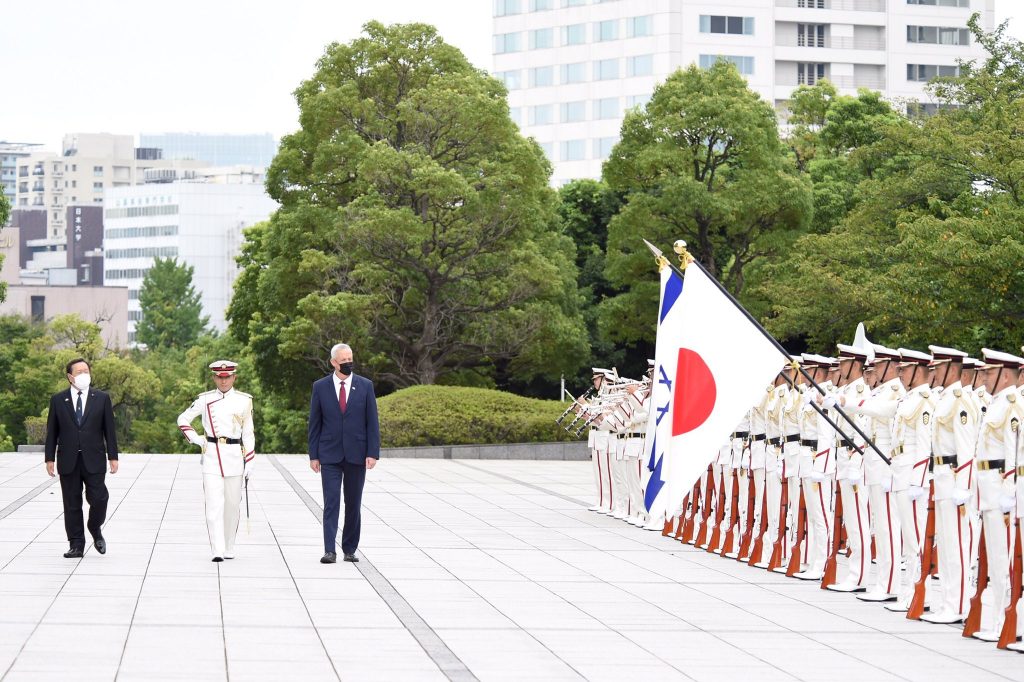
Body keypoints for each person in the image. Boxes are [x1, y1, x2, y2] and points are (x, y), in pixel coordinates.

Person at [308, 343, 380, 564]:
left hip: (357, 454)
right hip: (329, 454)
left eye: (350, 359)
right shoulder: (320, 387)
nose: (348, 363)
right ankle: (330, 549)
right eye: (344, 360)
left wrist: (372, 452)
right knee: (331, 502)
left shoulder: (365, 386)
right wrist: (313, 455)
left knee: (353, 502)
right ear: (333, 363)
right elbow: (315, 423)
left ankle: (349, 548)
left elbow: (372, 422)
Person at [177, 360, 255, 562]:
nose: (223, 381)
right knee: (213, 505)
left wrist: (250, 460)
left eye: (227, 376)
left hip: (235, 457)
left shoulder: (244, 401)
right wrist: (196, 439)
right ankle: (217, 549)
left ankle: (229, 546)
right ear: (214, 377)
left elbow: (248, 433)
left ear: (234, 377)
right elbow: (183, 419)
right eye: (220, 377)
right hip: (211, 455)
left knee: (232, 505)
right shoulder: (205, 399)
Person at [44, 357, 119, 558]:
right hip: (68, 459)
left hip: (94, 458)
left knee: (99, 498)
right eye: (79, 372)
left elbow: (109, 430)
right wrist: (49, 458)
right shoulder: (58, 400)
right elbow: (52, 431)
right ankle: (76, 544)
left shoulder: (101, 398)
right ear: (70, 377)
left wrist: (113, 456)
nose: (84, 374)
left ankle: (94, 527)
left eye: (86, 370)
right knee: (71, 503)